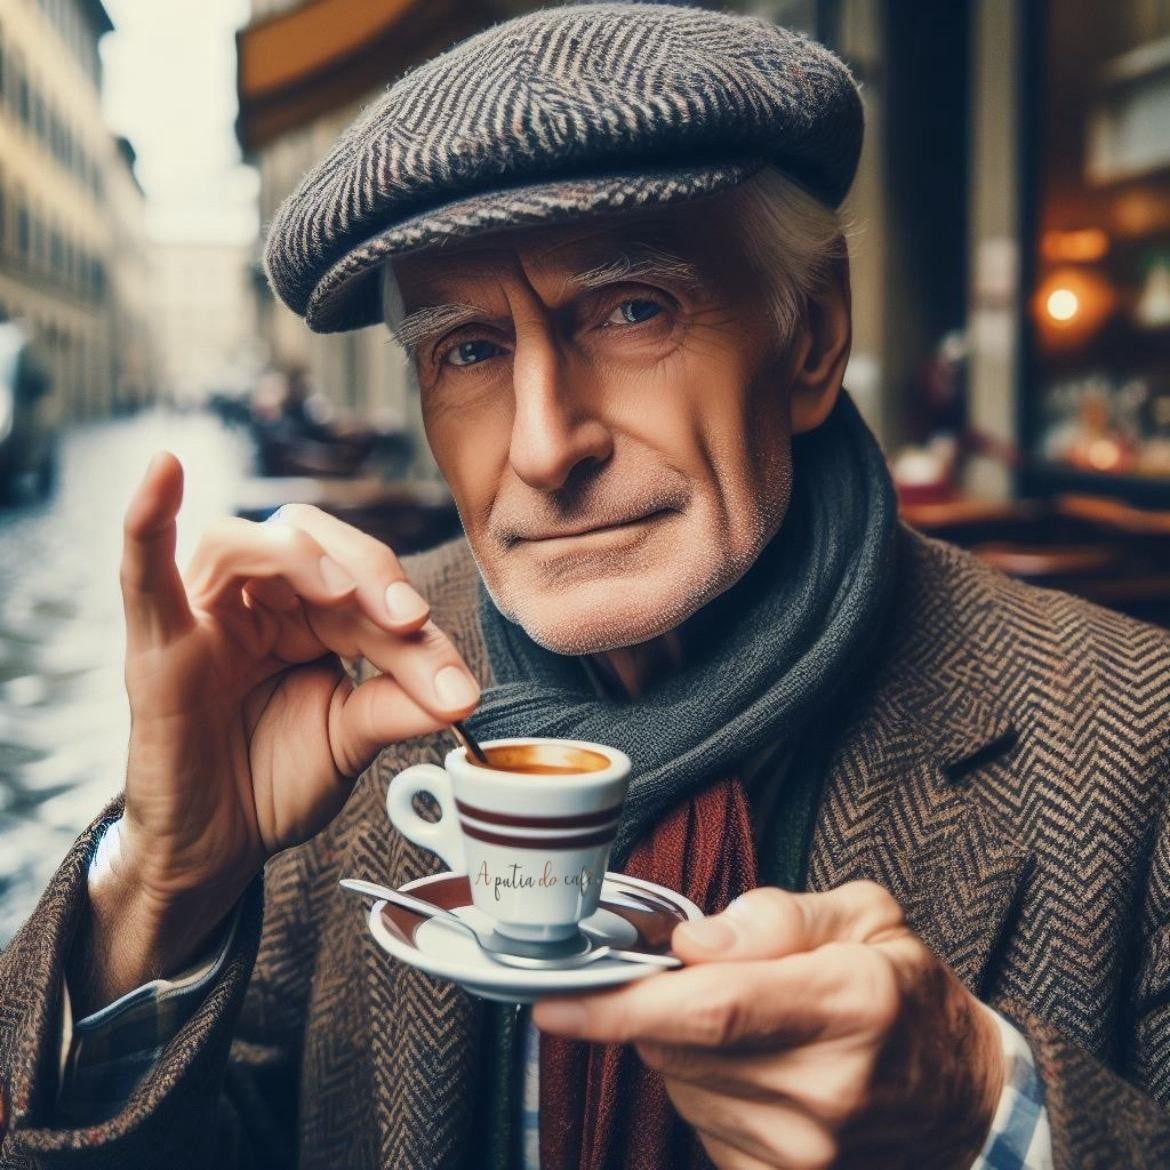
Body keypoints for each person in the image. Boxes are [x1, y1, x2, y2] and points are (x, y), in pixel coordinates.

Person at [2, 6, 1169, 1169]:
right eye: (470, 349)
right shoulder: (342, 693)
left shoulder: (1134, 740)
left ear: (810, 336)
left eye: (632, 310)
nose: (546, 446)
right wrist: (162, 888)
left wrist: (983, 1114)